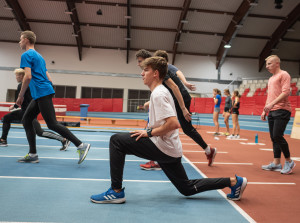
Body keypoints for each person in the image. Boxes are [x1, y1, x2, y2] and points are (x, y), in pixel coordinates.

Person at [90, 57, 247, 204]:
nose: (141, 73)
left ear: (156, 74)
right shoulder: (160, 92)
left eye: (145, 70)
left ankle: (116, 191)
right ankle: (234, 182)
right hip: (170, 149)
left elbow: (173, 123)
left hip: (162, 146)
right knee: (187, 188)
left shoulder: (158, 93)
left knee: (116, 141)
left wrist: (149, 133)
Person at [16, 30, 90, 163]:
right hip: (42, 92)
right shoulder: (39, 56)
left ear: (27, 40)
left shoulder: (26, 55)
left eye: (21, 39)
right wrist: (48, 88)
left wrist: (20, 96)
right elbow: (48, 76)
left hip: (42, 92)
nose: (19, 42)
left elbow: (27, 76)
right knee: (27, 120)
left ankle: (81, 145)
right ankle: (33, 154)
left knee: (52, 124)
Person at [136, 49, 217, 170]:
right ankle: (208, 150)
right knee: (183, 128)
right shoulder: (156, 69)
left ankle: (158, 160)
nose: (140, 67)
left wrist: (183, 107)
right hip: (175, 98)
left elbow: (175, 84)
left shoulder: (159, 67)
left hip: (181, 98)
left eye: (141, 63)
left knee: (165, 126)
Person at [0, 68, 70, 151]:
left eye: (17, 76)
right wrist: (15, 106)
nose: (16, 77)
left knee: (40, 132)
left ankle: (64, 139)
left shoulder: (22, 85)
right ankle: (3, 139)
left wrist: (15, 106)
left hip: (27, 112)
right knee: (7, 118)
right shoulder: (31, 84)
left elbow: (21, 100)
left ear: (22, 76)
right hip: (28, 111)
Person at [261, 55, 295, 174]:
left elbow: (285, 93)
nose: (267, 66)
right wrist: (265, 110)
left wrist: (272, 105)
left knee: (277, 136)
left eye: (269, 63)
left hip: (282, 109)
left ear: (277, 63)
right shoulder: (271, 79)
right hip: (272, 110)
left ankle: (289, 161)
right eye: (266, 64)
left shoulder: (284, 74)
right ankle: (276, 163)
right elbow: (270, 96)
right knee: (273, 138)